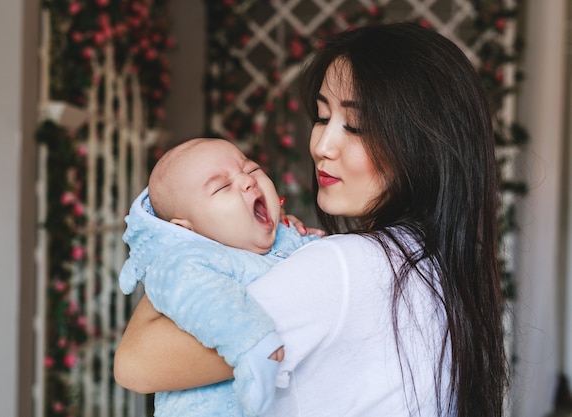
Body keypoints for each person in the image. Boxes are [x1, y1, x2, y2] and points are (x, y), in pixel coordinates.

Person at [114, 22, 508, 417]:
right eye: (322, 117)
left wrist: (179, 247)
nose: (321, 146)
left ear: (423, 144)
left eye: (355, 126)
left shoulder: (343, 268)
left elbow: (135, 365)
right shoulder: (435, 266)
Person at [117, 137, 320, 416]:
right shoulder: (185, 259)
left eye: (251, 169)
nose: (248, 181)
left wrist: (313, 246)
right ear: (189, 230)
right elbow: (207, 299)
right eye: (222, 186)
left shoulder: (285, 237)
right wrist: (253, 342)